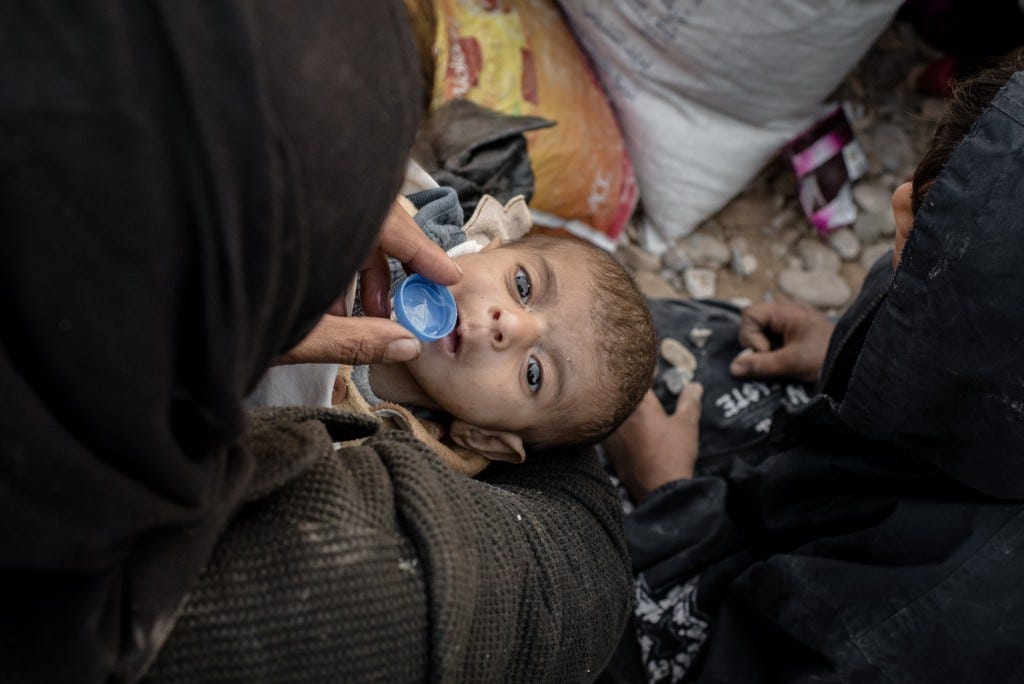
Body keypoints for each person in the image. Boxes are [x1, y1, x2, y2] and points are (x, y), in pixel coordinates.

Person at [0, 2, 633, 682]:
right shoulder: (430, 222)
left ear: (485, 441)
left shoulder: (391, 448)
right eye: (522, 285)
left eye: (534, 374)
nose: (511, 324)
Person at [602, 55, 1024, 683]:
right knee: (634, 335)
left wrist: (669, 497)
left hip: (788, 618)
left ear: (911, 209)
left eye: (919, 242)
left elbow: (749, 658)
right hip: (848, 489)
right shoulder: (974, 291)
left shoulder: (915, 628)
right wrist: (838, 351)